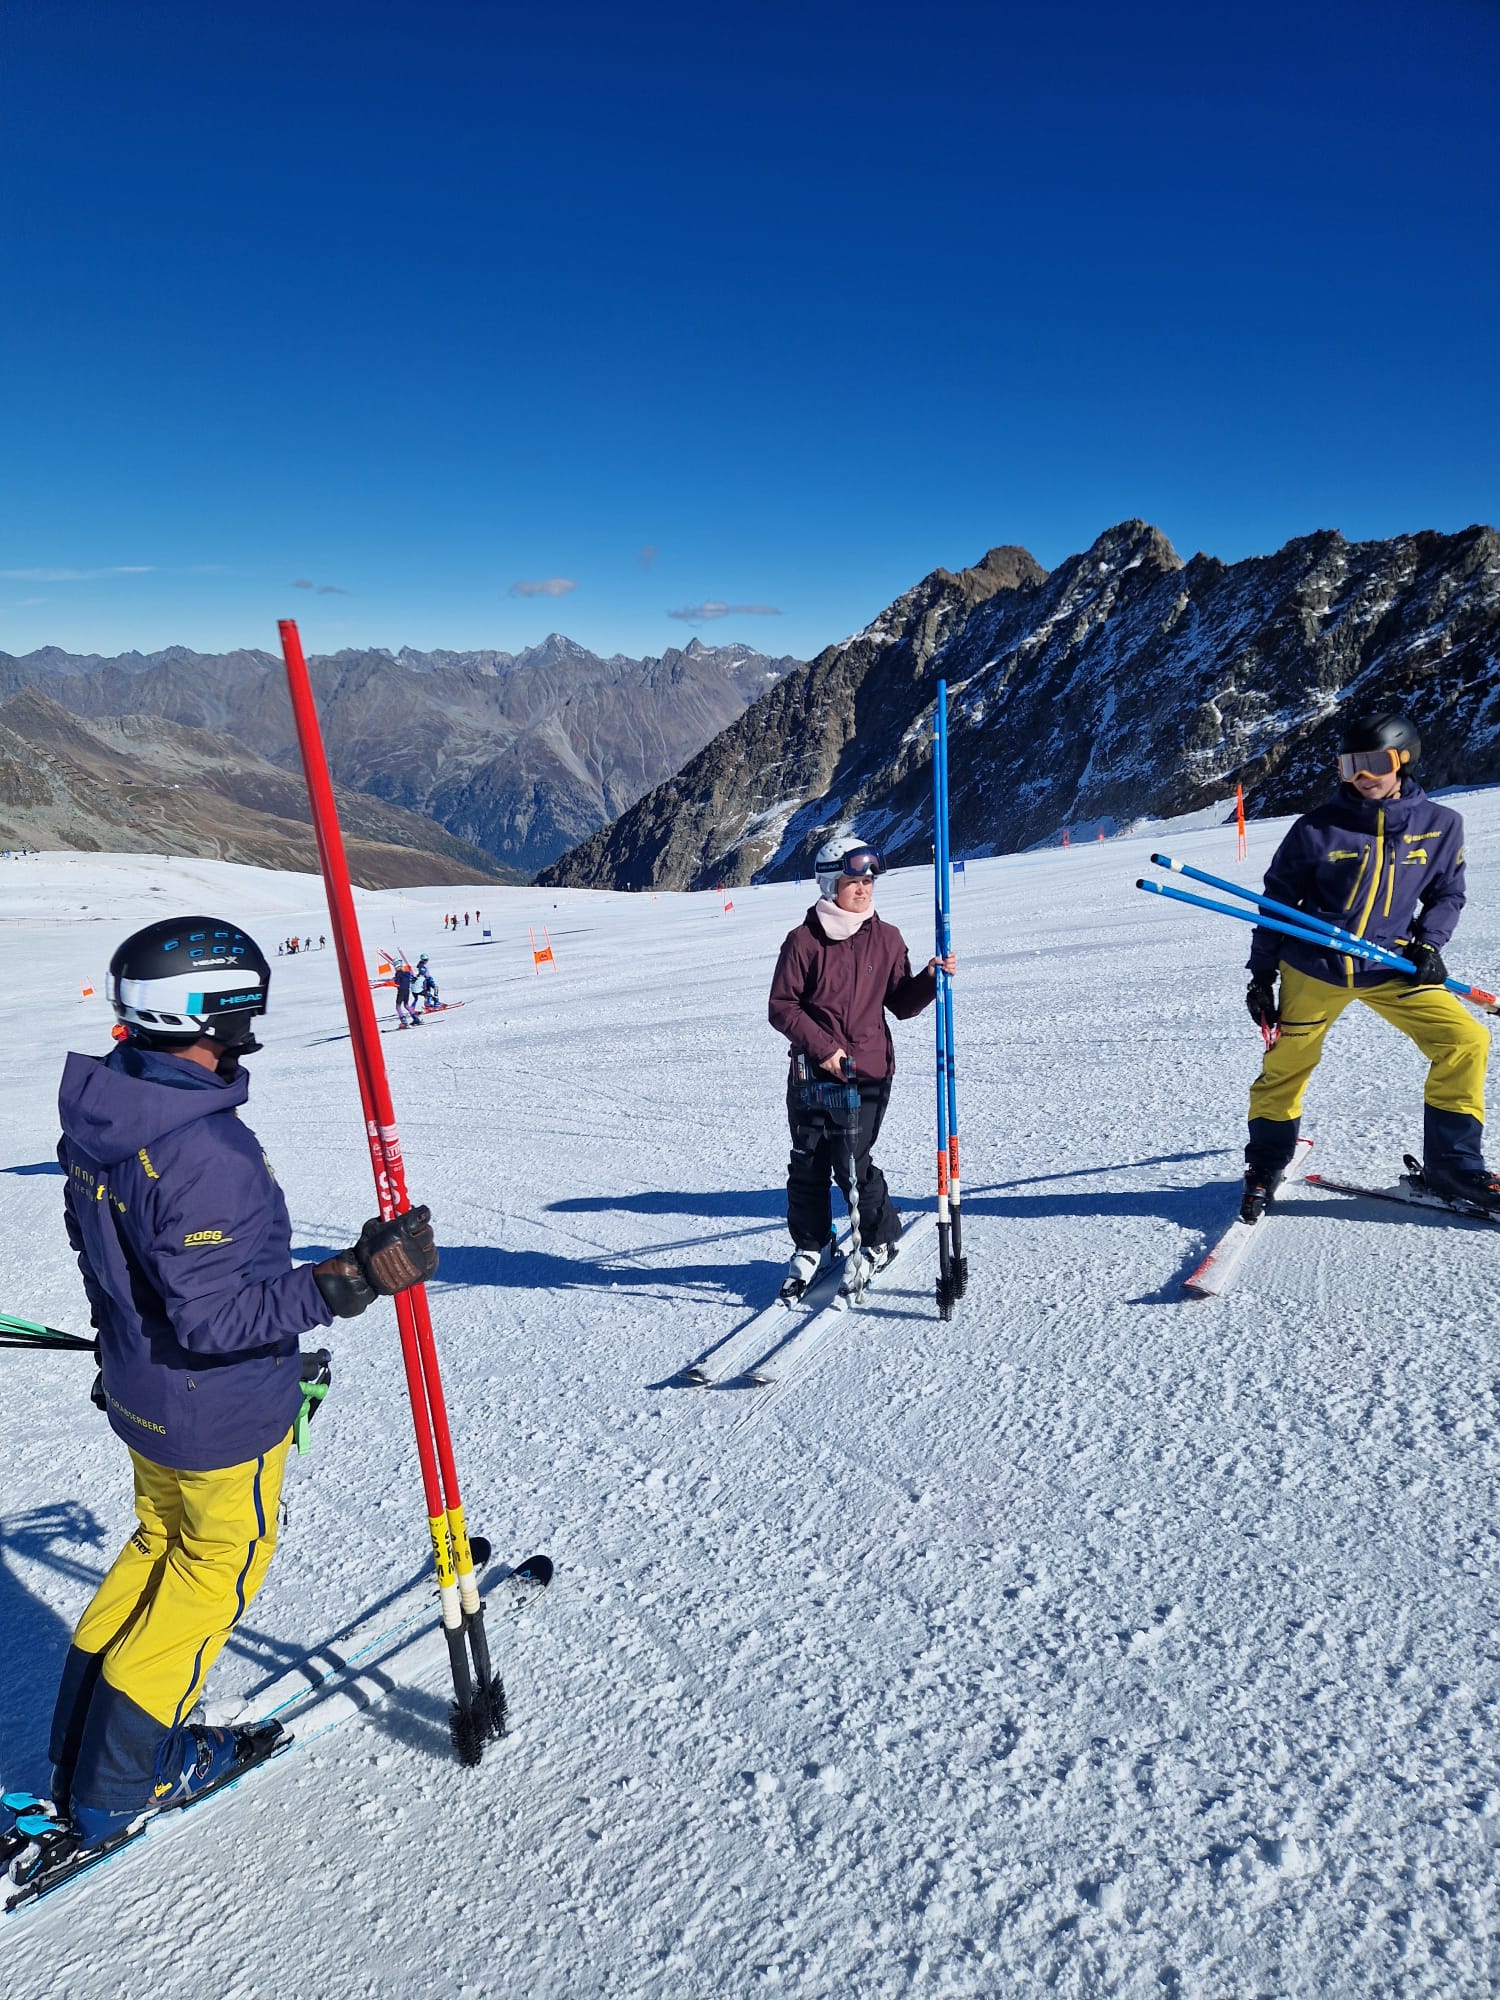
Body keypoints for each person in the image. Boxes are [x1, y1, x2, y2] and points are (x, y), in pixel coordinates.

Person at [47, 916, 438, 1852]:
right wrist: (349, 1279)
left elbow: (103, 1259)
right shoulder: (202, 1152)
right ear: (218, 1012)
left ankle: (81, 1749)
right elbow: (214, 1320)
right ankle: (120, 1784)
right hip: (214, 1417)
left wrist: (118, 1352)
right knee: (212, 1572)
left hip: (147, 1398)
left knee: (159, 1546)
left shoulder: (111, 1108)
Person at [1241, 710, 1496, 1220]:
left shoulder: (1441, 825)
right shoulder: (1316, 829)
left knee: (1465, 1040)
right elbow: (1277, 905)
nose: (1361, 775)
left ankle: (1454, 1166)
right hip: (1315, 965)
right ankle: (1266, 1163)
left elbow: (1447, 894)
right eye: (1350, 765)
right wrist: (1262, 974)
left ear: (1403, 760)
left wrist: (1430, 945)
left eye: (1374, 763)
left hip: (1391, 964)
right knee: (1287, 1064)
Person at [768, 836, 955, 1299]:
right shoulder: (803, 942)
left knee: (851, 1160)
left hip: (867, 1069)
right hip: (813, 1072)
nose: (863, 889)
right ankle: (813, 1244)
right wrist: (824, 1048)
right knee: (807, 1161)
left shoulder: (887, 938)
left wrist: (928, 980)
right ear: (830, 884)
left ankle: (879, 1238)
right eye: (853, 882)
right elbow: (782, 1007)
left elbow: (901, 1004)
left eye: (869, 881)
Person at [393, 961, 421, 1028]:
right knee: (406, 1005)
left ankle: (404, 1022)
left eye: (395, 967)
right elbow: (411, 980)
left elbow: (398, 983)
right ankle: (416, 1019)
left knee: (398, 1007)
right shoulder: (407, 973)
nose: (395, 969)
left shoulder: (398, 974)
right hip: (407, 991)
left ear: (397, 967)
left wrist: (394, 981)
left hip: (401, 991)